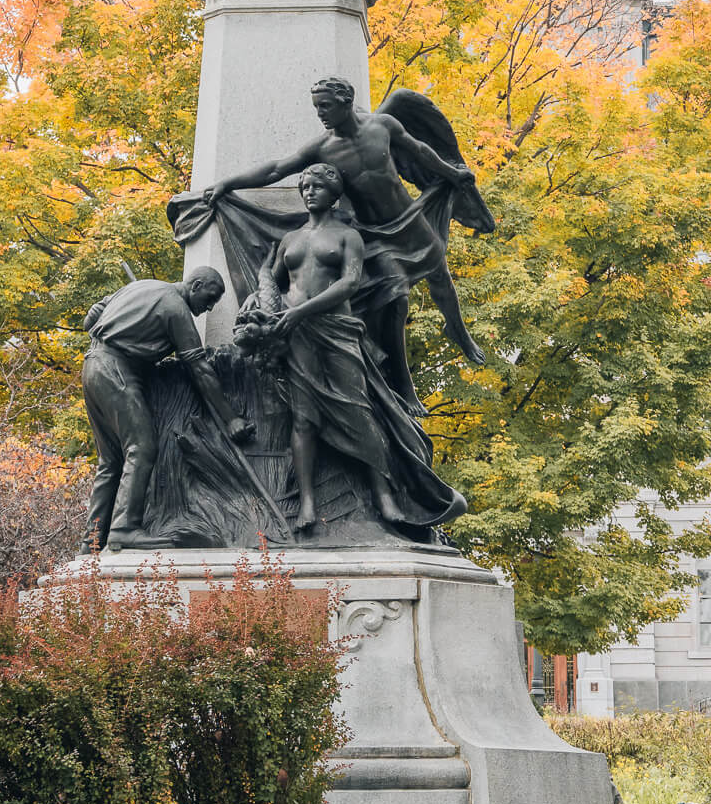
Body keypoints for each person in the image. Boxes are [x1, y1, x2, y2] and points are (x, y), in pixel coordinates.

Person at [205, 76, 484, 412]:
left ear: (345, 102)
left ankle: (458, 331)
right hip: (372, 234)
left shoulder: (383, 125)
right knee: (396, 302)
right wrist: (226, 183)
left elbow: (420, 150)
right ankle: (404, 384)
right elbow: (277, 169)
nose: (320, 114)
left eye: (325, 106)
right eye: (316, 107)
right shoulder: (322, 148)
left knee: (440, 274)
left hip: (408, 217)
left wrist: (451, 174)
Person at [266, 163, 465, 534]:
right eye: (304, 186)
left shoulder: (347, 236)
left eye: (317, 187)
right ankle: (307, 502)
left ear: (334, 193)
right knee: (304, 417)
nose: (309, 192)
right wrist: (271, 307)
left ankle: (384, 493)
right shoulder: (290, 239)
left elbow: (349, 284)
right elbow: (276, 280)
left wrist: (300, 312)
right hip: (297, 336)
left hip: (337, 330)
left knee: (360, 411)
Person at [81, 266, 250, 550]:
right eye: (209, 298)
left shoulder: (141, 286)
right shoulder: (176, 309)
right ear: (194, 285)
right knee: (141, 447)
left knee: (110, 461)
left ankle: (92, 540)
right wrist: (231, 418)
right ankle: (124, 528)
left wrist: (131, 326)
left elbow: (92, 317)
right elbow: (200, 369)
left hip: (92, 365)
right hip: (117, 372)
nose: (209, 307)